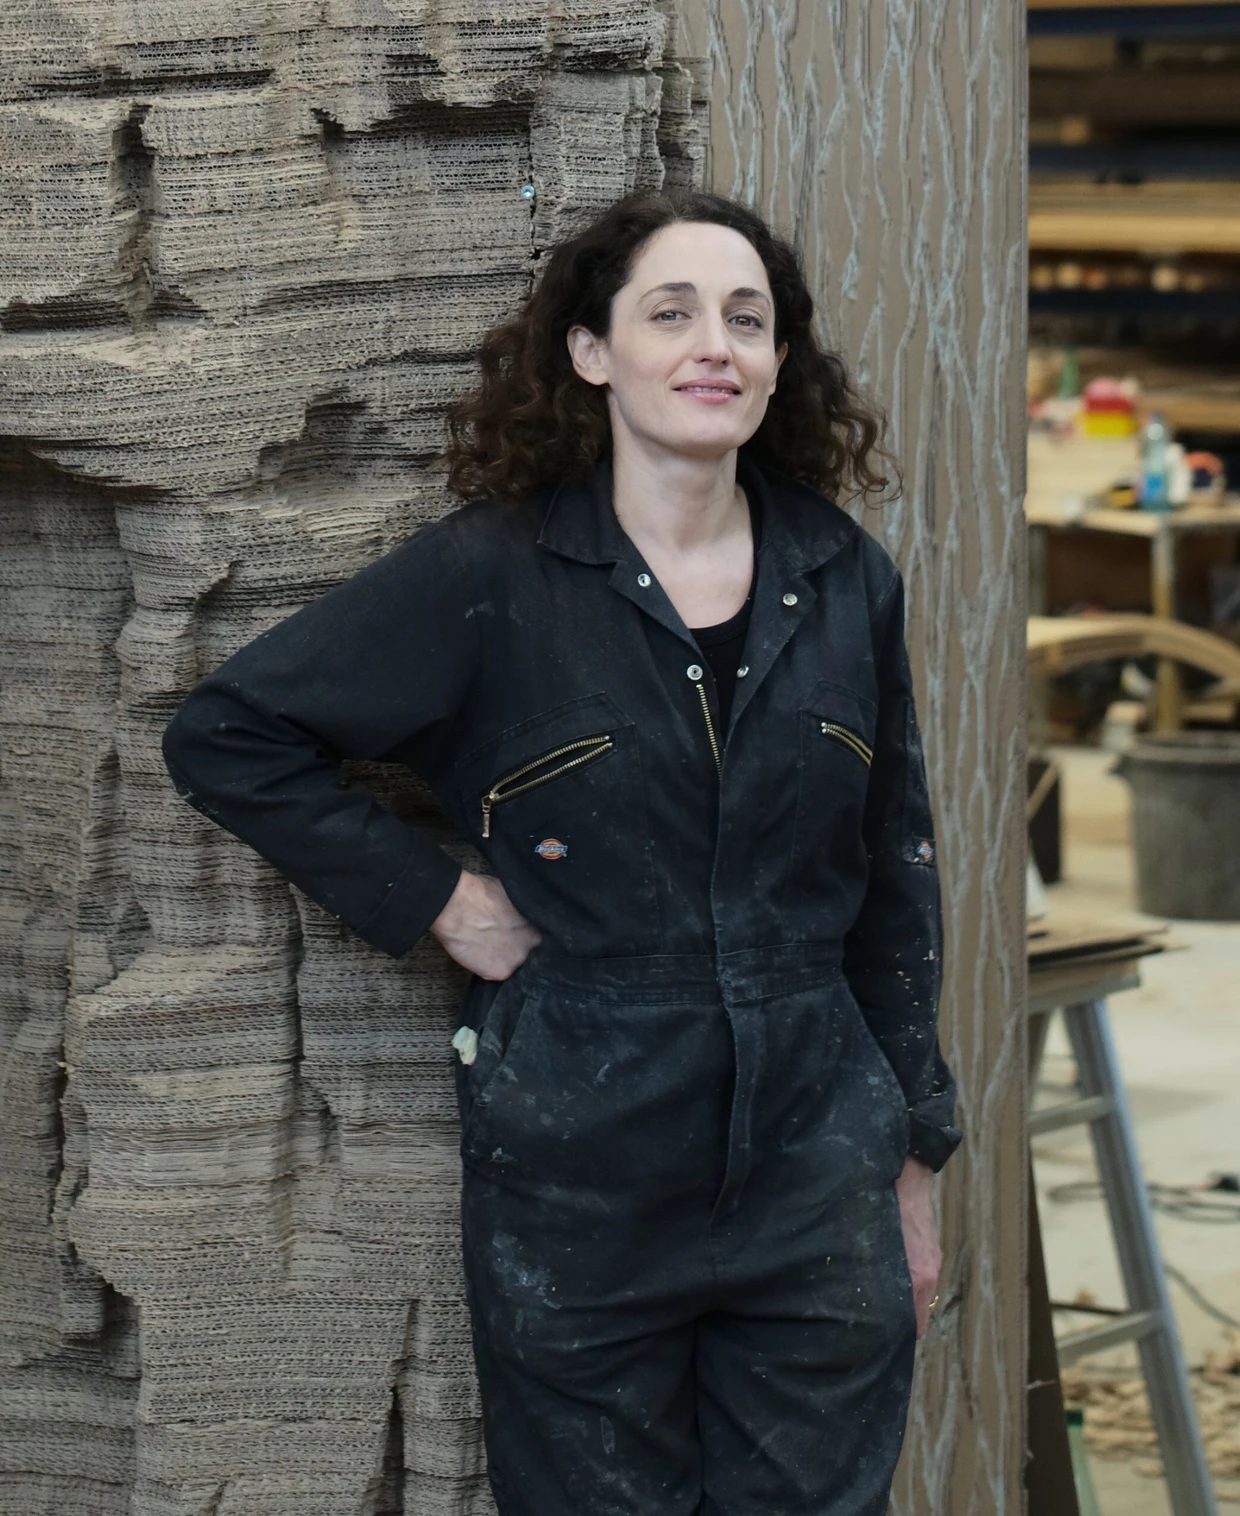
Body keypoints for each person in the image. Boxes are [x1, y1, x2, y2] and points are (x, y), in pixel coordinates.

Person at [161, 187, 962, 1516]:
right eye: (672, 313)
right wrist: (439, 898)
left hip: (820, 1171)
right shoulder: (493, 578)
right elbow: (230, 735)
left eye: (748, 320)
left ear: (779, 362)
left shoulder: (843, 578)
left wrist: (915, 1164)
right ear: (593, 352)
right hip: (583, 1173)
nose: (715, 346)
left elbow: (896, 880)